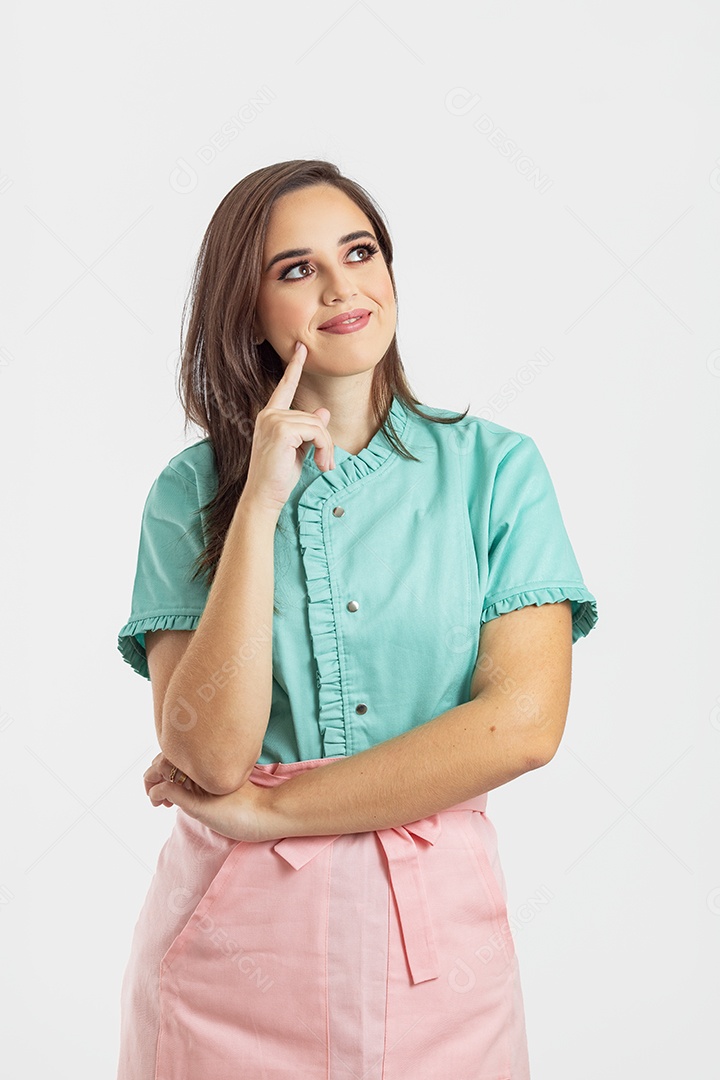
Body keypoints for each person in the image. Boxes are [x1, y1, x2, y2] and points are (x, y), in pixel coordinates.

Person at [115, 158, 598, 1079]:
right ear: (247, 310)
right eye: (297, 270)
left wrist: (273, 808)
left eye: (360, 252)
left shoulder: (497, 472)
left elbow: (524, 726)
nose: (342, 288)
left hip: (440, 957)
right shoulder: (189, 494)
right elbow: (209, 756)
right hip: (229, 954)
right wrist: (258, 505)